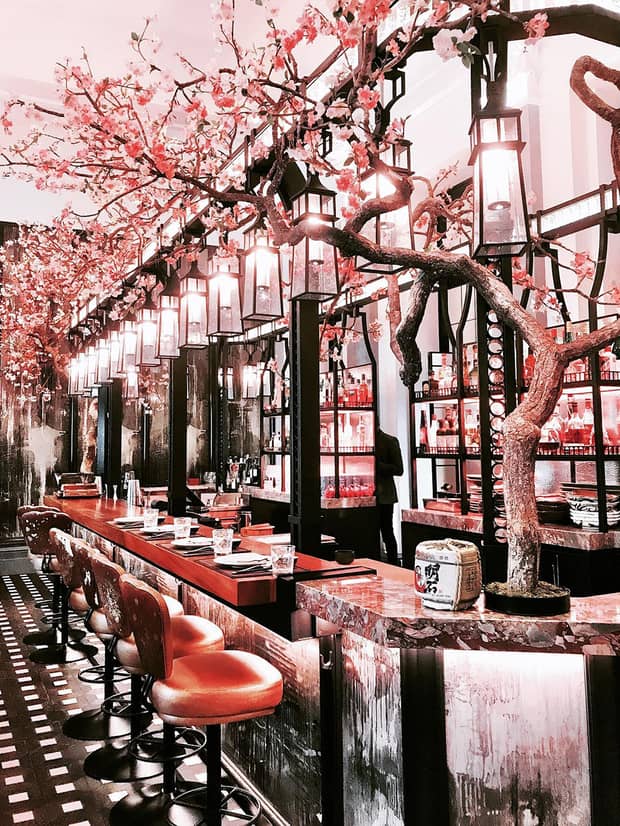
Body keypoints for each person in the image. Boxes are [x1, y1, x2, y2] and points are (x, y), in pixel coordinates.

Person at [375, 427, 404, 565]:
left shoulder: (389, 441)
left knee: (387, 532)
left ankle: (393, 564)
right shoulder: (364, 440)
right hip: (368, 494)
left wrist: (377, 465)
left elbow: (399, 469)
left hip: (384, 496)